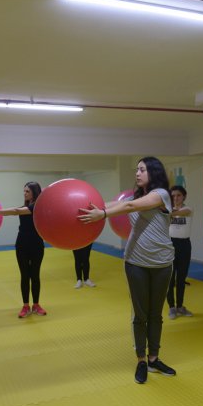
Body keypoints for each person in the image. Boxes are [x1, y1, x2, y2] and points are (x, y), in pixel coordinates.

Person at [78, 156, 176, 385]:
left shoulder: (161, 194)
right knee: (140, 314)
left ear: (154, 172)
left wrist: (102, 214)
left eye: (142, 169)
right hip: (136, 263)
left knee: (156, 314)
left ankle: (154, 358)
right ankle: (141, 360)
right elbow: (117, 205)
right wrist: (96, 209)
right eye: (137, 169)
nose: (137, 173)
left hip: (162, 263)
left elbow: (130, 207)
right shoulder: (136, 197)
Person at [0, 181, 46, 318]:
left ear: (34, 192)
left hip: (36, 245)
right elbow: (17, 210)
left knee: (35, 275)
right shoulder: (26, 206)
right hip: (22, 245)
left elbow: (15, 211)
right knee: (25, 275)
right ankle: (25, 306)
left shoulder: (37, 206)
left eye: (27, 191)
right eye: (24, 191)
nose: (24, 193)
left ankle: (36, 304)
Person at [167, 185, 193, 319]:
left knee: (181, 278)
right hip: (170, 245)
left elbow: (179, 212)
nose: (176, 198)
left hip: (184, 245)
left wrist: (166, 212)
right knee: (170, 279)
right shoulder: (167, 210)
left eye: (178, 195)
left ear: (184, 196)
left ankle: (180, 306)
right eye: (173, 196)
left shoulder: (188, 209)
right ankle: (171, 307)